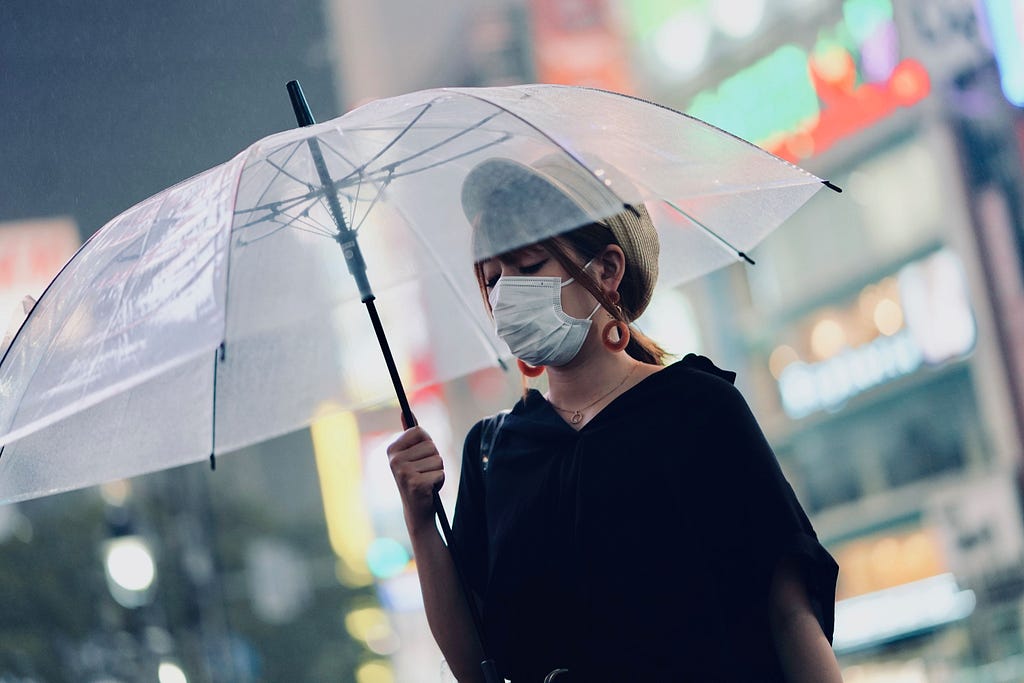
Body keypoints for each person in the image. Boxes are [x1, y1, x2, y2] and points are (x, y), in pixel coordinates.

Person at [387, 155, 842, 682]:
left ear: (606, 269)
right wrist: (420, 521)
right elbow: (474, 664)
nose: (508, 294)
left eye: (530, 267)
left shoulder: (697, 410)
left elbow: (787, 614)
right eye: (492, 280)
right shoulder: (491, 453)